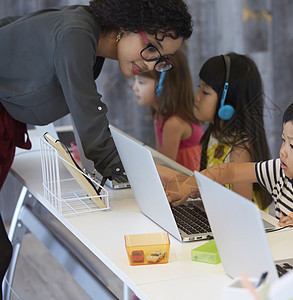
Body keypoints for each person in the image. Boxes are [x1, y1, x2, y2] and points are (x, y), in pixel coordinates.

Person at [0, 0, 192, 283]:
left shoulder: (86, 36)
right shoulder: (77, 33)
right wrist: (153, 174)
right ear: (127, 24)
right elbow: (91, 124)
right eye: (151, 47)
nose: (151, 63)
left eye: (162, 59)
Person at [165, 90, 293, 232]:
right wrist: (188, 186)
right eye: (284, 140)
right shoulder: (279, 171)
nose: (283, 151)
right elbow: (229, 171)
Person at [194, 52, 272, 210]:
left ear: (227, 103)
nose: (196, 97)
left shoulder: (240, 150)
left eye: (205, 92)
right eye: (199, 88)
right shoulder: (214, 133)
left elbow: (241, 210)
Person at [133, 50, 203, 171]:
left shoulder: (173, 123)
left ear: (163, 85)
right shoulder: (159, 115)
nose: (135, 88)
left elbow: (165, 168)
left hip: (187, 184)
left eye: (141, 82)